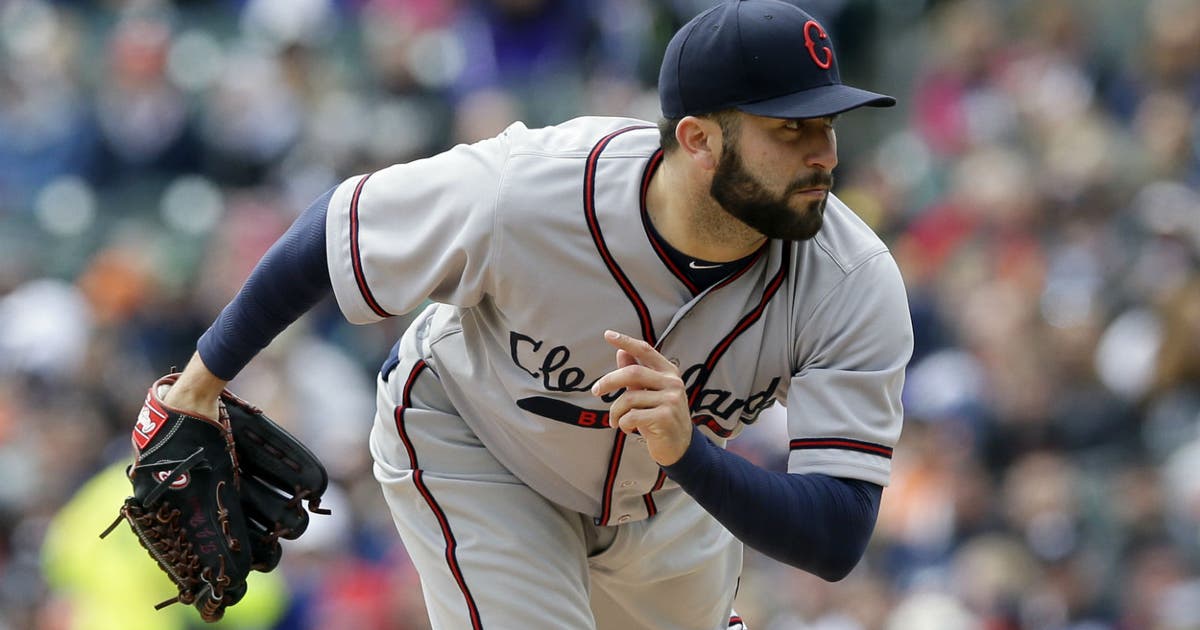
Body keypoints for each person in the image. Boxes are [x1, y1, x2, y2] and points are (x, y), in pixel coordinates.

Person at [157, 1, 913, 627]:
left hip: (668, 489)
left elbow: (837, 533)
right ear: (699, 140)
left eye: (829, 125)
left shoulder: (851, 279)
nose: (824, 153)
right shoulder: (529, 189)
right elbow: (331, 231)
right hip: (478, 442)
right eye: (791, 130)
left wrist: (690, 454)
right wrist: (197, 385)